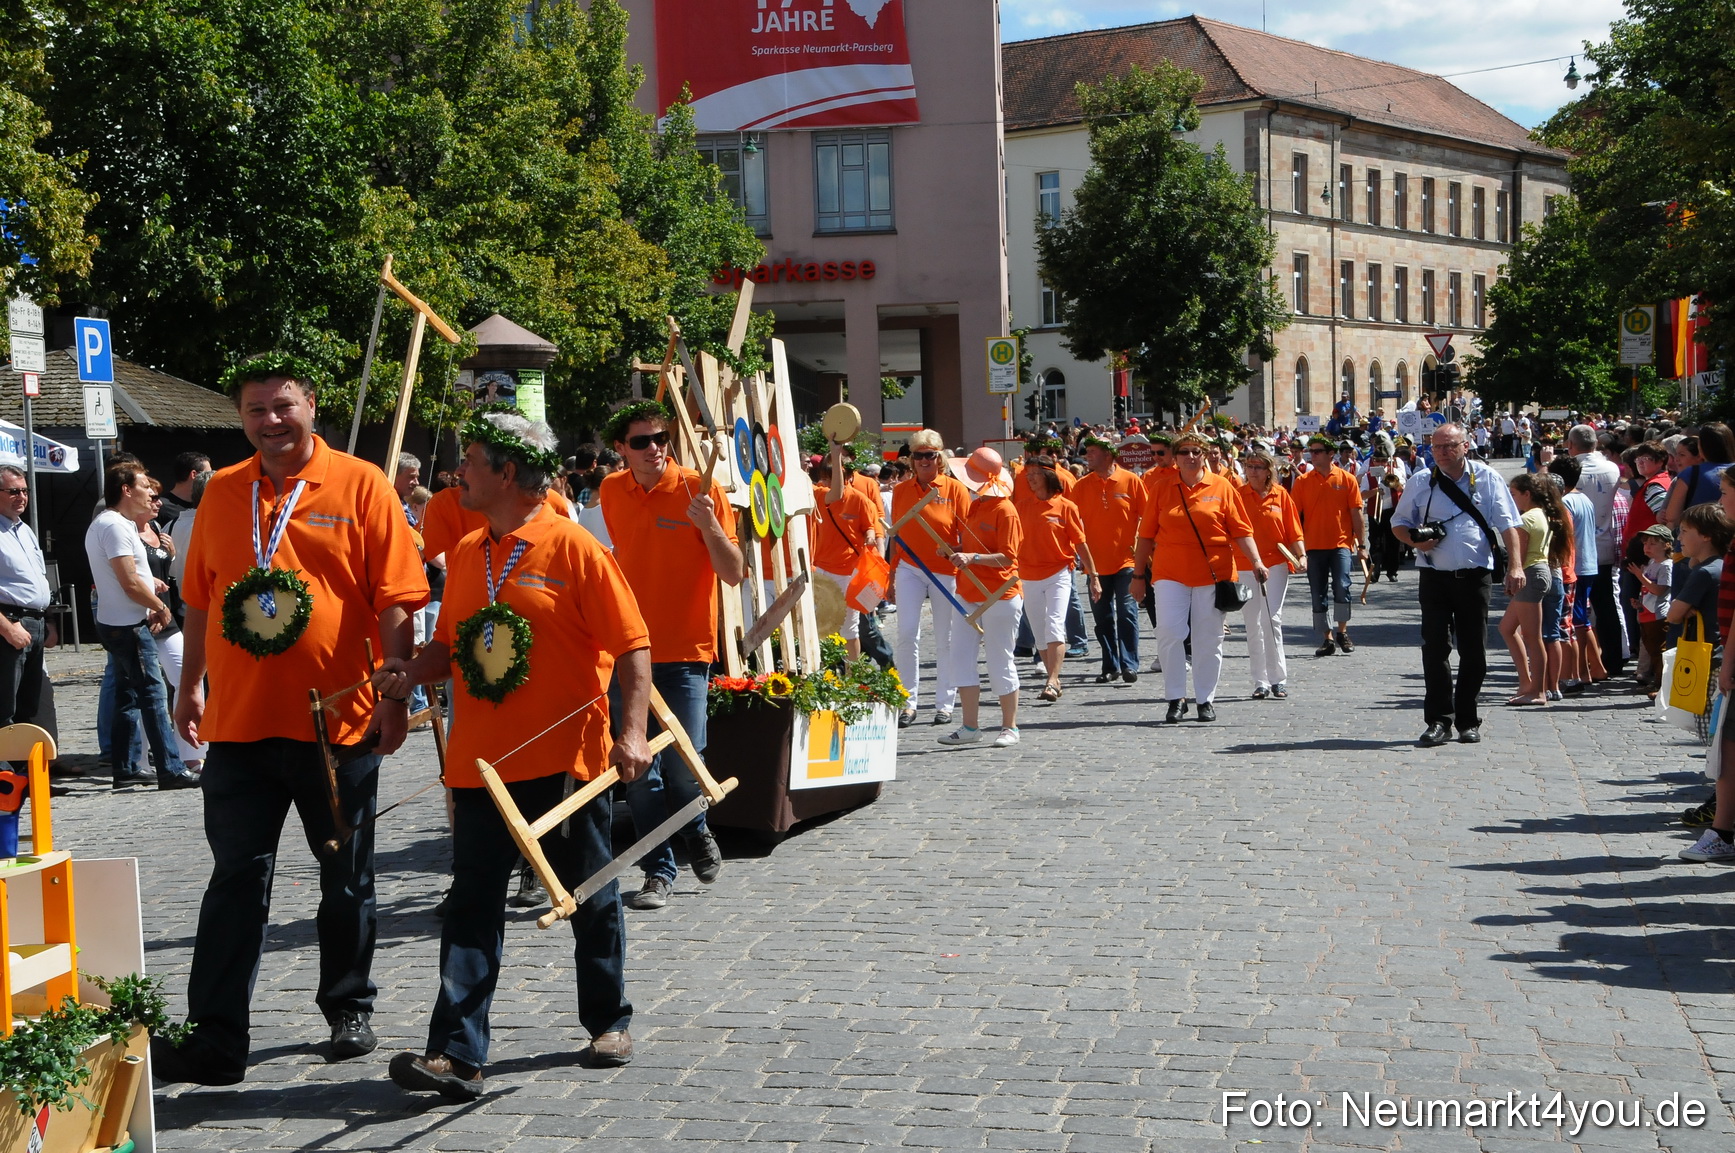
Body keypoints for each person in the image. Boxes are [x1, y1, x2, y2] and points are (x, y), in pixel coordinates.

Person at [154, 353, 427, 1086]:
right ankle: (215, 1039)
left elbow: (397, 597)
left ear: (311, 404)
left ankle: (348, 1006)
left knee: (345, 877)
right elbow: (201, 601)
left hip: (337, 724)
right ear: (239, 418)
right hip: (240, 725)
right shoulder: (221, 494)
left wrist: (397, 696)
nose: (270, 422)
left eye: (283, 407)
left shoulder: (361, 483)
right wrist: (189, 688)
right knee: (234, 881)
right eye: (255, 410)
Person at [375, 410, 650, 1097]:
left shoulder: (574, 546)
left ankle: (607, 1018)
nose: (456, 473)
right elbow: (454, 646)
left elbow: (633, 642)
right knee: (471, 903)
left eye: (468, 461)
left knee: (589, 892)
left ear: (505, 471)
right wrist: (409, 669)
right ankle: (457, 1054)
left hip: (565, 758)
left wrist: (633, 730)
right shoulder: (468, 551)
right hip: (480, 766)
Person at [600, 400, 742, 911]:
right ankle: (658, 871)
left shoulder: (698, 488)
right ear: (621, 449)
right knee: (638, 768)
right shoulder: (611, 490)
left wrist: (708, 526)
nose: (654, 449)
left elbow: (734, 571)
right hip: (628, 648)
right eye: (641, 441)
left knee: (685, 767)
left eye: (661, 439)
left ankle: (697, 827)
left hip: (685, 650)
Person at [1390, 422, 1524, 746]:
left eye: (1450, 446)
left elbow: (1509, 525)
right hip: (1434, 577)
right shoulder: (1422, 481)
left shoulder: (1487, 478)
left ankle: (1468, 719)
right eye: (1437, 447)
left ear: (1466, 445)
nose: (1443, 453)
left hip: (1474, 577)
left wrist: (1516, 566)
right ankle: (1438, 720)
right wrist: (1415, 542)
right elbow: (1398, 523)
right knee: (1434, 649)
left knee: (1474, 651)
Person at [1130, 431, 1265, 723]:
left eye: (1195, 452)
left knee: (1209, 638)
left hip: (1213, 573)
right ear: (1175, 458)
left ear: (1204, 454)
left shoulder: (1223, 486)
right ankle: (1176, 697)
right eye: (1184, 452)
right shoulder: (1162, 488)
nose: (1190, 457)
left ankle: (1205, 698)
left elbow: (1241, 530)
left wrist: (1256, 561)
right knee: (1169, 633)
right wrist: (1138, 574)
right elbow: (1145, 535)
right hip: (1169, 572)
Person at [85, 464, 198, 790]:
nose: (151, 493)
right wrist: (159, 605)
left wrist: (151, 584)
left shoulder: (110, 523)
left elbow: (131, 577)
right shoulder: (115, 526)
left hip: (120, 622)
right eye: (145, 486)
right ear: (125, 490)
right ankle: (170, 769)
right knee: (152, 694)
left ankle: (126, 769)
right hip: (130, 625)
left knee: (128, 696)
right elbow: (128, 581)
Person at [938, 448, 1023, 748]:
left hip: (1000, 594)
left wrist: (971, 556)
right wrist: (956, 552)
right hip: (969, 592)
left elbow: (1008, 558)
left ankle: (1009, 726)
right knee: (960, 658)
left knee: (1000, 659)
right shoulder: (976, 506)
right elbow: (975, 546)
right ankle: (970, 726)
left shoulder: (1005, 510)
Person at [887, 430, 970, 727]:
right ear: (911, 459)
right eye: (918, 455)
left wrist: (957, 553)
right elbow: (895, 535)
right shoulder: (900, 491)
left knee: (946, 637)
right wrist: (891, 574)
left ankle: (944, 703)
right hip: (910, 568)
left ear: (940, 457)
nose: (924, 460)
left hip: (945, 570)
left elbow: (968, 535)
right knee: (907, 634)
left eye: (929, 455)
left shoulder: (955, 489)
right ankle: (907, 702)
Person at [134, 478, 206, 770]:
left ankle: (191, 752)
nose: (158, 503)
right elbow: (126, 577)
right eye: (151, 497)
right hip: (140, 618)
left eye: (157, 497)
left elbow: (174, 575)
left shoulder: (157, 529)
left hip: (168, 617)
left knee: (188, 680)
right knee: (146, 690)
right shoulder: (122, 530)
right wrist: (154, 601)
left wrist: (172, 554)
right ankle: (138, 759)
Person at [1071, 435, 1144, 684]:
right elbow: (1071, 521)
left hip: (1127, 561)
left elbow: (1147, 517)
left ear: (1109, 455)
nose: (1087, 455)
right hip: (1095, 566)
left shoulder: (1131, 481)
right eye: (1087, 451)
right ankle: (1110, 665)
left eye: (1092, 451)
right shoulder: (1081, 486)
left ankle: (1129, 664)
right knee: (1102, 619)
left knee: (1127, 612)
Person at [1016, 460, 1087, 702]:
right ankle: (1052, 678)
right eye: (1029, 474)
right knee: (1038, 632)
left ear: (1049, 476)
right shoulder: (1021, 507)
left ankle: (1053, 680)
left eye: (1036, 473)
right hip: (1028, 575)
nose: (1031, 478)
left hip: (1059, 572)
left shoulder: (1066, 507)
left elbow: (1080, 542)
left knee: (1055, 624)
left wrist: (1094, 575)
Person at [1236, 452, 1305, 700]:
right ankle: (1260, 681)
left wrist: (1302, 555)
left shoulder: (1280, 494)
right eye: (1249, 466)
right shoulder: (1237, 495)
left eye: (1258, 467)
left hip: (1275, 563)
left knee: (1270, 618)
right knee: (1252, 623)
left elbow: (1293, 530)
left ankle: (1278, 678)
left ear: (1268, 471)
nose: (1252, 471)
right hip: (1244, 565)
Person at [1291, 436, 1367, 656]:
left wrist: (1361, 544)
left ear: (1330, 454)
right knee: (1318, 593)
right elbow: (1294, 516)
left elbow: (1356, 513)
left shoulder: (1347, 479)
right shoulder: (1303, 481)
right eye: (1311, 452)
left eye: (1317, 452)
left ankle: (1342, 631)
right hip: (1313, 546)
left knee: (1342, 586)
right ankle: (1327, 637)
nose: (1312, 455)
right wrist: (1296, 549)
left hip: (1341, 543)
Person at [1567, 424, 1626, 677]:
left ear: (1571, 446)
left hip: (1578, 548)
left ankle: (1581, 664)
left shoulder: (1571, 470)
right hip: (1604, 543)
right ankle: (1612, 659)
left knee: (1577, 610)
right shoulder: (1611, 467)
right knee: (1606, 604)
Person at [812, 452, 880, 662]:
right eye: (826, 474)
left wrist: (869, 536)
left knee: (849, 627)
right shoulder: (818, 495)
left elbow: (871, 527)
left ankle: (852, 674)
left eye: (836, 475)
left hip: (849, 571)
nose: (829, 480)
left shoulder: (861, 500)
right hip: (820, 569)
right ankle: (828, 671)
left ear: (849, 475)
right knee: (821, 624)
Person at [1499, 474, 1561, 706]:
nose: (1512, 499)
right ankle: (1527, 683)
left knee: (1533, 637)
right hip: (1538, 572)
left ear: (1527, 494)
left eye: (1514, 494)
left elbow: (1519, 556)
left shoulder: (1527, 519)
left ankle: (1538, 691)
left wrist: (1511, 578)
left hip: (1531, 573)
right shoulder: (1539, 514)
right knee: (1506, 627)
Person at [0, 466, 53, 729]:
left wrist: (49, 621)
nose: (21, 496)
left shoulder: (24, 530)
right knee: (4, 706)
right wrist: (7, 627)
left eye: (24, 490)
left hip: (36, 624)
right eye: (13, 491)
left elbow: (39, 579)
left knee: (28, 706)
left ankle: (21, 766)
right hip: (10, 623)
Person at [1628, 523, 1674, 698]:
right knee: (1652, 651)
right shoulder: (1651, 564)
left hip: (1659, 615)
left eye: (1653, 543)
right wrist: (1639, 603)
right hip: (1647, 614)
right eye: (1646, 543)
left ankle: (1662, 686)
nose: (1647, 547)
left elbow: (1660, 590)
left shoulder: (1666, 566)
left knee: (1659, 653)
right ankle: (1656, 682)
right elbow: (1648, 591)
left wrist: (1640, 576)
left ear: (1666, 545)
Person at [155, 451, 211, 533]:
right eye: (208, 473)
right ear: (194, 474)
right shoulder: (160, 506)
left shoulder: (203, 505)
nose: (211, 478)